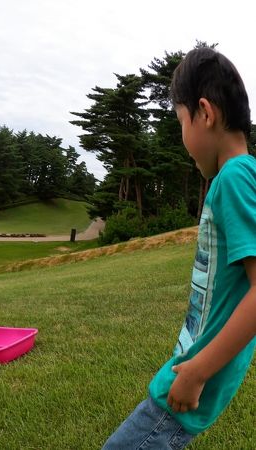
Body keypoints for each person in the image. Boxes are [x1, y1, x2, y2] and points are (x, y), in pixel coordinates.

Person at [103, 47, 256, 449]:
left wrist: (197, 372)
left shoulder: (235, 176)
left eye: (180, 122)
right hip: (186, 373)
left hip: (187, 382)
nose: (182, 138)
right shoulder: (238, 176)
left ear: (205, 114)